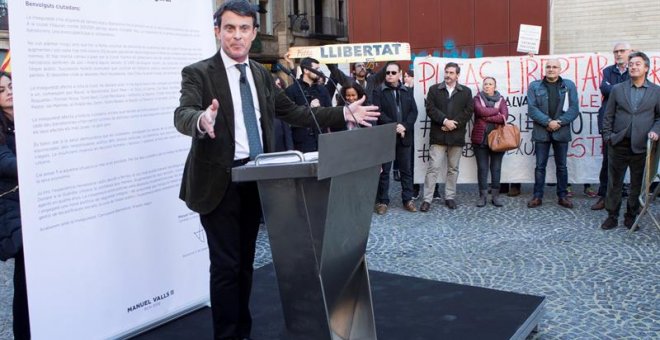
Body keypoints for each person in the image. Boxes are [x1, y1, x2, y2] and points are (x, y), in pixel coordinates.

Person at [173, 2, 379, 339]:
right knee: (226, 268)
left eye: (243, 29)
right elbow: (183, 112)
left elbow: (296, 113)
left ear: (254, 33)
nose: (236, 36)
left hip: (257, 180)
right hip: (217, 183)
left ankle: (243, 331)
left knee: (244, 264)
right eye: (229, 28)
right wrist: (200, 120)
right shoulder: (198, 73)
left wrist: (344, 115)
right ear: (217, 31)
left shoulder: (261, 76)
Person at [600, 51, 660, 230]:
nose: (633, 67)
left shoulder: (657, 91)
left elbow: (659, 117)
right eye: (631, 64)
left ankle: (631, 215)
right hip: (618, 142)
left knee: (637, 183)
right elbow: (608, 114)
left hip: (642, 146)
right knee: (614, 182)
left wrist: (655, 131)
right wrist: (608, 136)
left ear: (646, 68)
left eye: (637, 64)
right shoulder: (618, 89)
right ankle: (612, 215)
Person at [526, 58, 579, 209]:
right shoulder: (535, 86)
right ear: (544, 69)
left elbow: (574, 109)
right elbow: (532, 109)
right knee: (539, 166)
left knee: (562, 166)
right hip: (541, 131)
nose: (551, 69)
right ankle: (537, 196)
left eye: (554, 67)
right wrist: (548, 121)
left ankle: (562, 196)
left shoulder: (568, 85)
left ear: (560, 69)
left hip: (561, 132)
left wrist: (559, 122)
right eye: (548, 67)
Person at [420, 62, 474, 211]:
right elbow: (430, 108)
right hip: (438, 135)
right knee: (433, 168)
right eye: (446, 72)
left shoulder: (466, 92)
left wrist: (453, 124)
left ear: (457, 75)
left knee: (453, 168)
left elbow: (468, 111)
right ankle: (427, 199)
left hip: (456, 136)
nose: (448, 75)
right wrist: (444, 120)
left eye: (451, 73)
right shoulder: (434, 90)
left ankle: (450, 197)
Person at [0, 72, 29, 340]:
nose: (9, 91)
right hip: (12, 210)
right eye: (1, 90)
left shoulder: (27, 120)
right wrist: (37, 162)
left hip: (34, 205)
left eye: (11, 85)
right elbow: (5, 162)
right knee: (25, 279)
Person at [373, 62, 418, 214]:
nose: (390, 75)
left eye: (393, 72)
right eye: (388, 73)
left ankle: (408, 199)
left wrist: (404, 126)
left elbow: (414, 112)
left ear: (400, 74)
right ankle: (382, 201)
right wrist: (395, 126)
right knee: (385, 171)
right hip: (386, 136)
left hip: (405, 136)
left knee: (406, 170)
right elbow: (379, 113)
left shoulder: (407, 91)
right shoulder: (379, 91)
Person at [592, 42, 632, 210]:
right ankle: (604, 196)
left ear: (631, 52)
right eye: (616, 51)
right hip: (610, 123)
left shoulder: (636, 69)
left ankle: (631, 199)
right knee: (608, 161)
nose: (618, 54)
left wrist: (614, 89)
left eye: (622, 51)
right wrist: (622, 89)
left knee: (633, 161)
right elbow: (605, 90)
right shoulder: (608, 71)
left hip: (630, 123)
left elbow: (632, 92)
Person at [471, 77, 508, 207]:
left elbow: (504, 117)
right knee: (482, 168)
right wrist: (496, 112)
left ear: (495, 86)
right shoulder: (477, 99)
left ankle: (495, 196)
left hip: (498, 140)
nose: (487, 86)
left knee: (496, 168)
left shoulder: (501, 100)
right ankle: (483, 196)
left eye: (490, 84)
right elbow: (480, 111)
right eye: (485, 84)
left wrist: (487, 116)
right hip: (480, 139)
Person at [285, 57, 333, 152]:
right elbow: (289, 119)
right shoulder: (292, 90)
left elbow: (330, 113)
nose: (319, 72)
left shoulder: (322, 90)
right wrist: (308, 108)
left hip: (321, 141)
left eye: (319, 69)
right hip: (302, 144)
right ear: (306, 70)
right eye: (316, 69)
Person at [272, 76, 293, 151]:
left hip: (281, 150)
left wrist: (290, 151)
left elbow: (287, 134)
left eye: (279, 84)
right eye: (275, 85)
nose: (277, 87)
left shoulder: (282, 106)